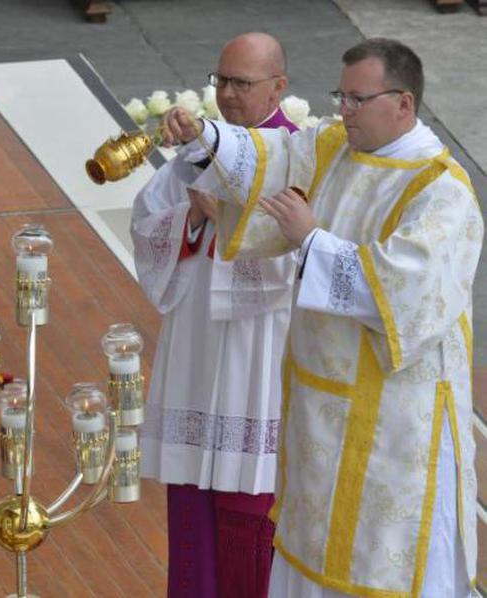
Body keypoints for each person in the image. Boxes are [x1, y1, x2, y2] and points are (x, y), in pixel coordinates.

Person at [163, 38, 480, 597]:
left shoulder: (440, 191)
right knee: (308, 554)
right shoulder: (336, 146)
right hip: (319, 409)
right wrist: (206, 138)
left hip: (395, 426)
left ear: (404, 104)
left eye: (358, 99)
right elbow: (271, 161)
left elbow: (403, 291)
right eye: (342, 95)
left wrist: (311, 240)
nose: (344, 110)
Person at [133, 33, 297, 598]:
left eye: (241, 84)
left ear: (279, 85)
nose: (226, 95)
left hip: (256, 353)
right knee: (189, 507)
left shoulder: (296, 154)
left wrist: (227, 221)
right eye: (220, 80)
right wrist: (194, 220)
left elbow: (292, 260)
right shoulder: (199, 148)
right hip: (197, 347)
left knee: (246, 509)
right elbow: (148, 218)